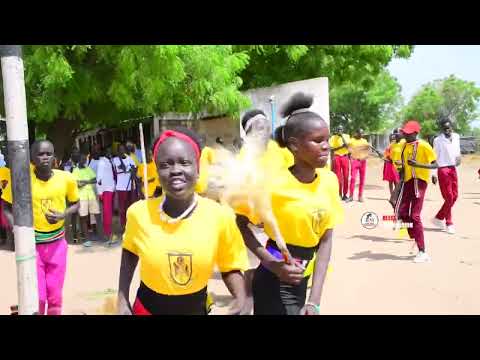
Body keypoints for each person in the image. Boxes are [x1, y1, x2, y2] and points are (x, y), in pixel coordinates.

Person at [117, 127, 248, 315]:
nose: (176, 170)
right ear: (157, 169)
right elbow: (129, 253)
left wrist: (240, 297)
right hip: (146, 310)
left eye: (185, 163)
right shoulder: (138, 213)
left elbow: (230, 266)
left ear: (198, 168)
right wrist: (122, 300)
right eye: (166, 164)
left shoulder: (220, 216)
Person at [236, 93, 343, 315]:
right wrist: (272, 263)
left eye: (327, 139)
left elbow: (326, 239)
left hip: (302, 281)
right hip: (273, 279)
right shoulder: (272, 183)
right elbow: (241, 223)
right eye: (317, 141)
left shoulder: (329, 181)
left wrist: (314, 300)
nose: (326, 146)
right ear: (294, 146)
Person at [2, 140, 80, 315]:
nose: (45, 157)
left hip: (58, 244)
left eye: (48, 154)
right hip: (32, 247)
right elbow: (6, 206)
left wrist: (63, 215)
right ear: (32, 158)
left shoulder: (66, 178)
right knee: (38, 296)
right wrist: (17, 229)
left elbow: (76, 204)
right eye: (40, 154)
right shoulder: (22, 180)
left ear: (54, 157)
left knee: (55, 296)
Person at [237, 109, 295, 314]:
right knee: (252, 269)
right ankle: (247, 302)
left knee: (279, 272)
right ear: (247, 132)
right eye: (257, 126)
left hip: (281, 223)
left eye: (265, 125)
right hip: (254, 223)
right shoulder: (244, 157)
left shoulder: (282, 153)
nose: (263, 129)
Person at [395, 120, 437, 263]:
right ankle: (415, 237)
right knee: (402, 213)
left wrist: (418, 165)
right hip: (407, 181)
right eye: (404, 133)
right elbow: (402, 165)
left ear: (416, 133)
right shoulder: (404, 146)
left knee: (415, 215)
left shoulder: (424, 146)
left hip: (419, 181)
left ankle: (423, 251)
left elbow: (435, 164)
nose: (405, 135)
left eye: (408, 133)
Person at [431, 119, 461, 234]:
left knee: (455, 196)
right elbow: (434, 157)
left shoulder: (457, 137)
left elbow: (457, 151)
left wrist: (459, 157)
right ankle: (449, 223)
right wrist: (433, 174)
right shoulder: (438, 140)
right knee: (448, 197)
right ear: (442, 129)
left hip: (453, 168)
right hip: (443, 169)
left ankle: (439, 217)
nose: (447, 130)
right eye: (445, 129)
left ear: (452, 127)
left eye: (449, 128)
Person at [72, 153, 102, 247]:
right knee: (83, 218)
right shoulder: (75, 171)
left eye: (85, 159)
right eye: (83, 159)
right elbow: (77, 184)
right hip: (82, 197)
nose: (84, 161)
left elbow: (94, 180)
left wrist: (85, 182)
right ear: (79, 160)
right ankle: (87, 239)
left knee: (97, 215)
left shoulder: (88, 168)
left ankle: (101, 236)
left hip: (91, 196)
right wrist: (86, 182)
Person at [112, 144, 137, 233]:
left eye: (123, 149)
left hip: (130, 186)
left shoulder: (129, 158)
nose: (122, 151)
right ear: (117, 151)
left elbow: (134, 168)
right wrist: (120, 159)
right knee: (122, 208)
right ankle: (123, 225)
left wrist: (131, 169)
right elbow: (121, 167)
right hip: (121, 187)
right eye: (120, 150)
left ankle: (130, 224)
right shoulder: (115, 160)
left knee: (130, 206)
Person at [96, 147, 117, 245]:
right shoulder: (102, 162)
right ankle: (107, 234)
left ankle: (110, 232)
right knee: (107, 212)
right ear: (104, 152)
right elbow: (99, 179)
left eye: (110, 151)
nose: (110, 152)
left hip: (111, 188)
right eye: (108, 151)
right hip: (105, 190)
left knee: (110, 212)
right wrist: (100, 192)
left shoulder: (110, 161)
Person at [346, 129, 373, 202]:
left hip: (363, 162)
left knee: (362, 179)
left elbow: (369, 149)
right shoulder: (351, 140)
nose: (361, 134)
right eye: (360, 133)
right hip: (354, 161)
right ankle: (351, 196)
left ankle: (360, 196)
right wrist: (350, 154)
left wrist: (367, 155)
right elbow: (347, 147)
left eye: (362, 133)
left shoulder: (364, 141)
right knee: (353, 179)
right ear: (356, 133)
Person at [329, 125, 351, 200]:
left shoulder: (347, 136)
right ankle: (339, 194)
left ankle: (345, 194)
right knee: (338, 177)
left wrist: (342, 137)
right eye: (338, 129)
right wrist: (341, 147)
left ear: (343, 130)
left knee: (346, 176)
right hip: (337, 157)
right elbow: (331, 149)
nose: (339, 130)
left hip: (345, 157)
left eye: (341, 129)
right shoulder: (333, 137)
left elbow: (348, 146)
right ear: (336, 130)